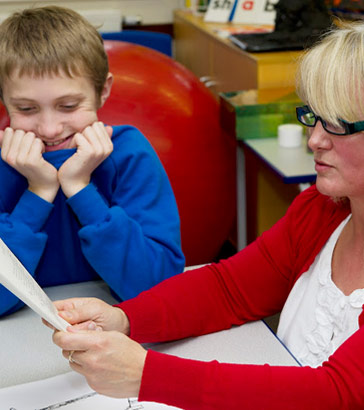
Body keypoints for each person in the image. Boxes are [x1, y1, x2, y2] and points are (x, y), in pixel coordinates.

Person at [49, 21, 364, 409]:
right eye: (312, 117)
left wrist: (147, 375)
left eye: (337, 124)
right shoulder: (322, 210)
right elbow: (229, 289)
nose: (314, 139)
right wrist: (124, 319)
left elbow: (339, 395)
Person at [0, 6, 185, 317]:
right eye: (27, 109)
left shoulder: (129, 154)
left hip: (113, 331)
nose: (49, 129)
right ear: (4, 101)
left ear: (103, 91)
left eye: (68, 106)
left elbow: (157, 288)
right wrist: (39, 191)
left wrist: (80, 189)